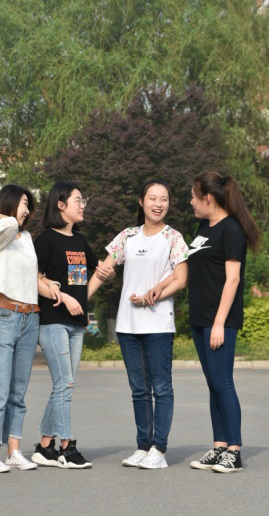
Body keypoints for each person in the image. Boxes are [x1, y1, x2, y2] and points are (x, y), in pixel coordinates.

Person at [150, 171, 260, 474]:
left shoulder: (231, 230)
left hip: (219, 319)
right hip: (201, 318)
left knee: (223, 383)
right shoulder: (203, 228)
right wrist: (161, 285)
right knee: (213, 384)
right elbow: (186, 267)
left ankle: (234, 451)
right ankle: (219, 446)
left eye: (193, 196)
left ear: (207, 198)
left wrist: (219, 323)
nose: (190, 201)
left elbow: (233, 279)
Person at [89, 180, 189, 469]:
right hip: (128, 325)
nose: (158, 204)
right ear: (141, 201)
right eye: (152, 198)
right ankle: (143, 446)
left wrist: (153, 296)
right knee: (139, 390)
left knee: (161, 388)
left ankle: (159, 449)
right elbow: (104, 270)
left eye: (164, 199)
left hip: (158, 324)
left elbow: (181, 279)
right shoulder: (127, 237)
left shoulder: (173, 238)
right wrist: (80, 302)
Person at [0, 184, 61, 474]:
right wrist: (0, 217)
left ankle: (13, 452)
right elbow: (8, 225)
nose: (27, 210)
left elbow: (31, 277)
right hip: (4, 316)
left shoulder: (27, 239)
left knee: (18, 393)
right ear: (7, 205)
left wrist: (51, 286)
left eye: (28, 204)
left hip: (29, 319)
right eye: (23, 203)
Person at [31, 181, 112, 469]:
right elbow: (35, 280)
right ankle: (67, 447)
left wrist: (101, 276)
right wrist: (64, 298)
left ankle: (44, 447)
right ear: (61, 204)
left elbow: (92, 276)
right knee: (64, 384)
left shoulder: (79, 242)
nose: (83, 205)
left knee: (64, 386)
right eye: (78, 200)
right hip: (53, 322)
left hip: (76, 324)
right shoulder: (45, 241)